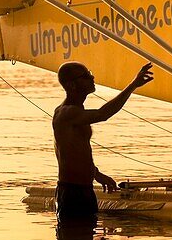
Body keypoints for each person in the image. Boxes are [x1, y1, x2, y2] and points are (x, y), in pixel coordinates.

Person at [52, 61, 154, 224]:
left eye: (89, 73)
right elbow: (103, 114)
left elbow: (75, 151)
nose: (92, 77)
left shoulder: (76, 111)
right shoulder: (67, 113)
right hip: (72, 192)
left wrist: (96, 174)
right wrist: (133, 85)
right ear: (71, 85)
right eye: (85, 76)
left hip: (85, 190)